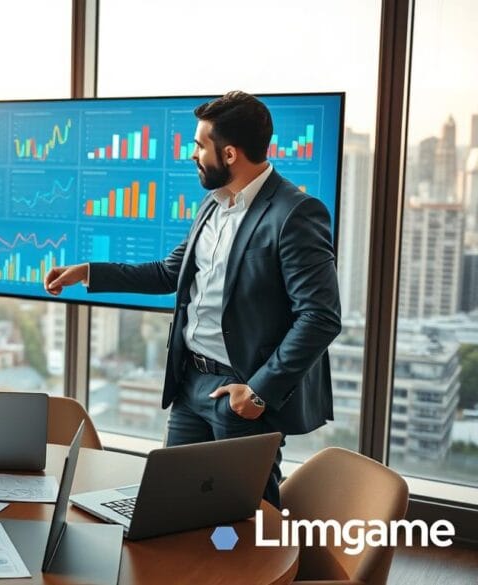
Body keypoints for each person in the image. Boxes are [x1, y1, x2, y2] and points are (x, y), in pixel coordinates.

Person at [44, 91, 341, 509]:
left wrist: (257, 392)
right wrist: (87, 273)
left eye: (201, 146)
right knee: (173, 507)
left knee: (246, 521)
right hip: (190, 385)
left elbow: (320, 317)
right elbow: (171, 272)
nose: (194, 154)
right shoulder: (212, 204)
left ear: (231, 153)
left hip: (241, 392)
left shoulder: (295, 213)